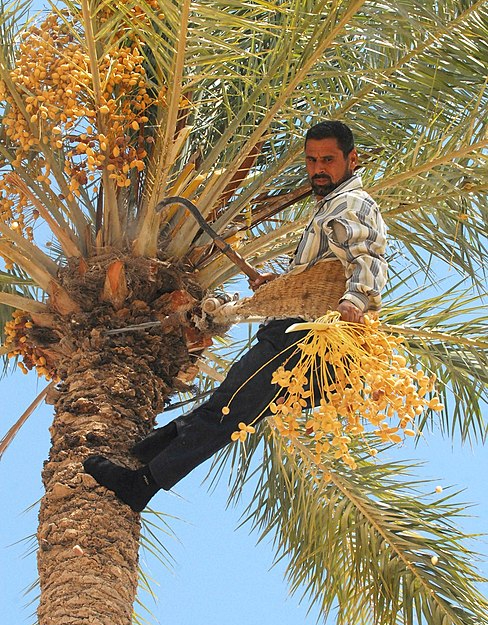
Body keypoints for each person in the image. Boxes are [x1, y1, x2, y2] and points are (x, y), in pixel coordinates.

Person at [84, 120, 388, 511]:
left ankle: (139, 486)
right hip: (307, 339)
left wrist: (356, 300)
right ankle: (145, 452)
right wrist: (278, 285)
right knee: (231, 405)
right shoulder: (330, 205)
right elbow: (325, 271)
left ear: (352, 159)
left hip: (305, 337)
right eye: (312, 160)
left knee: (227, 409)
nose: (318, 169)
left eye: (328, 160)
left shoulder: (352, 203)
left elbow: (367, 257)